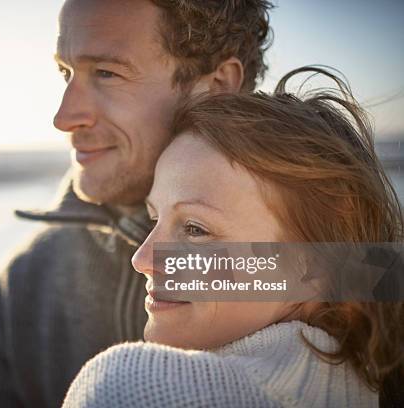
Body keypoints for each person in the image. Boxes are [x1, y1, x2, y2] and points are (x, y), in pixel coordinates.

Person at [0, 0, 273, 407]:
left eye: (107, 73)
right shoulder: (20, 287)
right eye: (66, 73)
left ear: (216, 87)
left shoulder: (331, 265)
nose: (64, 116)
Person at [62, 67, 404, 407]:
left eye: (195, 229)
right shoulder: (366, 391)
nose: (143, 260)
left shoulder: (132, 386)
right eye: (155, 218)